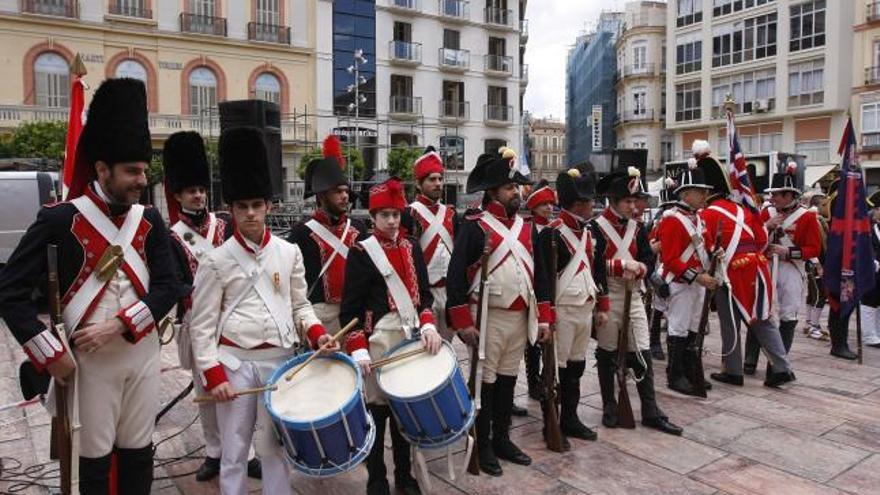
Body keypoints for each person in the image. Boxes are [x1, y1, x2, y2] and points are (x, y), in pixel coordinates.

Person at [0, 78, 181, 493]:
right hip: (88, 366)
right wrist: (52, 355)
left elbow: (170, 286)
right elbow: (9, 291)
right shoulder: (60, 219)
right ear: (102, 169)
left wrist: (118, 324)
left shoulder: (149, 220)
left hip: (143, 355)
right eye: (131, 171)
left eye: (143, 170)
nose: (141, 180)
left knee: (139, 456)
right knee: (94, 468)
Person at [188, 127, 335, 495]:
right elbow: (202, 326)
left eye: (257, 205)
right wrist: (213, 374)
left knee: (274, 448)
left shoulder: (289, 253)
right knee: (235, 449)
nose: (250, 214)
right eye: (242, 207)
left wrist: (318, 333)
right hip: (235, 364)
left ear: (269, 206)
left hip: (279, 362)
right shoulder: (215, 261)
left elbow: (300, 305)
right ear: (231, 209)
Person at [163, 131, 264, 482]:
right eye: (191, 190)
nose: (198, 195)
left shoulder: (224, 223)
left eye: (201, 189)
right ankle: (214, 451)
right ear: (177, 195)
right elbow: (174, 282)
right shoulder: (172, 235)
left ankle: (246, 452)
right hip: (198, 319)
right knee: (207, 389)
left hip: (235, 317)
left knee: (239, 386)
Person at [446, 148, 553, 476]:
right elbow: (456, 274)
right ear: (493, 191)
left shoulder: (526, 227)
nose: (517, 193)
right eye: (510, 188)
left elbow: (542, 274)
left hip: (520, 317)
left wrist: (545, 316)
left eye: (517, 188)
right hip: (487, 316)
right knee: (485, 384)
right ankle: (483, 442)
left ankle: (503, 437)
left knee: (508, 379)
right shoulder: (475, 225)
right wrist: (462, 322)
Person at [340, 178, 442, 495]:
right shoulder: (361, 252)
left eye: (396, 214)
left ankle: (403, 473)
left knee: (403, 411)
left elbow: (424, 296)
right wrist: (358, 348)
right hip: (378, 340)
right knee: (376, 411)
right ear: (373, 217)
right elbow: (350, 309)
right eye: (385, 215)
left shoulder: (412, 247)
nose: (392, 221)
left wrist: (428, 324)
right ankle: (376, 476)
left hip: (409, 336)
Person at [693, 141, 796, 387]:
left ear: (706, 192)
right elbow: (761, 240)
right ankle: (782, 367)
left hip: (732, 270)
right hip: (758, 267)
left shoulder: (706, 214)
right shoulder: (743, 210)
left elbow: (706, 251)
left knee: (730, 322)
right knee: (762, 318)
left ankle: (734, 370)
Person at [591, 167, 682, 436]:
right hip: (608, 294)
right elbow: (592, 264)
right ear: (614, 201)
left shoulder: (638, 228)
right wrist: (620, 266)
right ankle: (610, 405)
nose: (634, 206)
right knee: (607, 353)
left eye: (634, 201)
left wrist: (641, 268)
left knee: (641, 350)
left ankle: (651, 410)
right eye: (628, 201)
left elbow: (648, 259)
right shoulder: (596, 228)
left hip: (634, 294)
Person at [537, 168, 600, 442]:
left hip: (584, 309)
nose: (592, 206)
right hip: (562, 311)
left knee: (576, 367)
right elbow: (543, 279)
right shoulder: (551, 234)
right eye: (589, 202)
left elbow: (595, 272)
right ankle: (550, 421)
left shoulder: (586, 232)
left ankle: (570, 418)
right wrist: (546, 316)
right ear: (578, 204)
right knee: (555, 370)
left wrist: (601, 306)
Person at [744, 163, 823, 374]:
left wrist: (788, 252)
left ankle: (778, 366)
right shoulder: (766, 212)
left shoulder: (806, 216)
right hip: (767, 265)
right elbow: (751, 237)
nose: (773, 198)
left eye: (778, 194)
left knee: (788, 314)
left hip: (791, 269)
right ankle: (749, 360)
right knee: (759, 311)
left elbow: (814, 248)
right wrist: (766, 226)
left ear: (789, 195)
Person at [288, 135, 366, 334]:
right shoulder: (302, 232)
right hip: (320, 317)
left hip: (355, 313)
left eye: (346, 191)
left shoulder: (358, 228)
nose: (345, 196)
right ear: (321, 196)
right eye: (337, 192)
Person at [654, 160, 717, 396]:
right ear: (686, 193)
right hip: (680, 283)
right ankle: (675, 374)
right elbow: (670, 259)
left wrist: (715, 253)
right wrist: (697, 277)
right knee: (678, 328)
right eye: (701, 192)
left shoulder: (698, 218)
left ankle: (691, 371)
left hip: (698, 282)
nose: (705, 195)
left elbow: (706, 245)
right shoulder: (672, 219)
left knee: (693, 329)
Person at [401, 146, 459, 342]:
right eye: (432, 179)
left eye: (440, 179)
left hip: (449, 291)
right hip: (425, 293)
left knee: (447, 347)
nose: (438, 184)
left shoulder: (450, 213)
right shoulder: (409, 213)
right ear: (419, 184)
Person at [521, 180, 556, 402]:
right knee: (531, 343)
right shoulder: (529, 229)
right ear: (533, 207)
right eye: (544, 204)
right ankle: (533, 382)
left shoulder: (553, 229)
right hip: (532, 289)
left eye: (551, 204)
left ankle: (546, 378)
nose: (549, 208)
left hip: (551, 289)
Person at [646, 174, 679, 361]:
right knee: (657, 308)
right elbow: (650, 248)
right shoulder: (658, 222)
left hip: (675, 267)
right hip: (661, 267)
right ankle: (654, 342)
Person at [803, 189, 830, 340]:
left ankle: (808, 323)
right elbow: (812, 245)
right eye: (824, 204)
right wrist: (818, 265)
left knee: (812, 293)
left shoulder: (817, 219)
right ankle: (814, 327)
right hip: (815, 262)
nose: (826, 207)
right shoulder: (814, 220)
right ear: (817, 205)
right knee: (820, 294)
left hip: (814, 262)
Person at [859, 191, 880, 347]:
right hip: (870, 271)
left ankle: (877, 332)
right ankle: (869, 336)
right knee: (869, 302)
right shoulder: (865, 227)